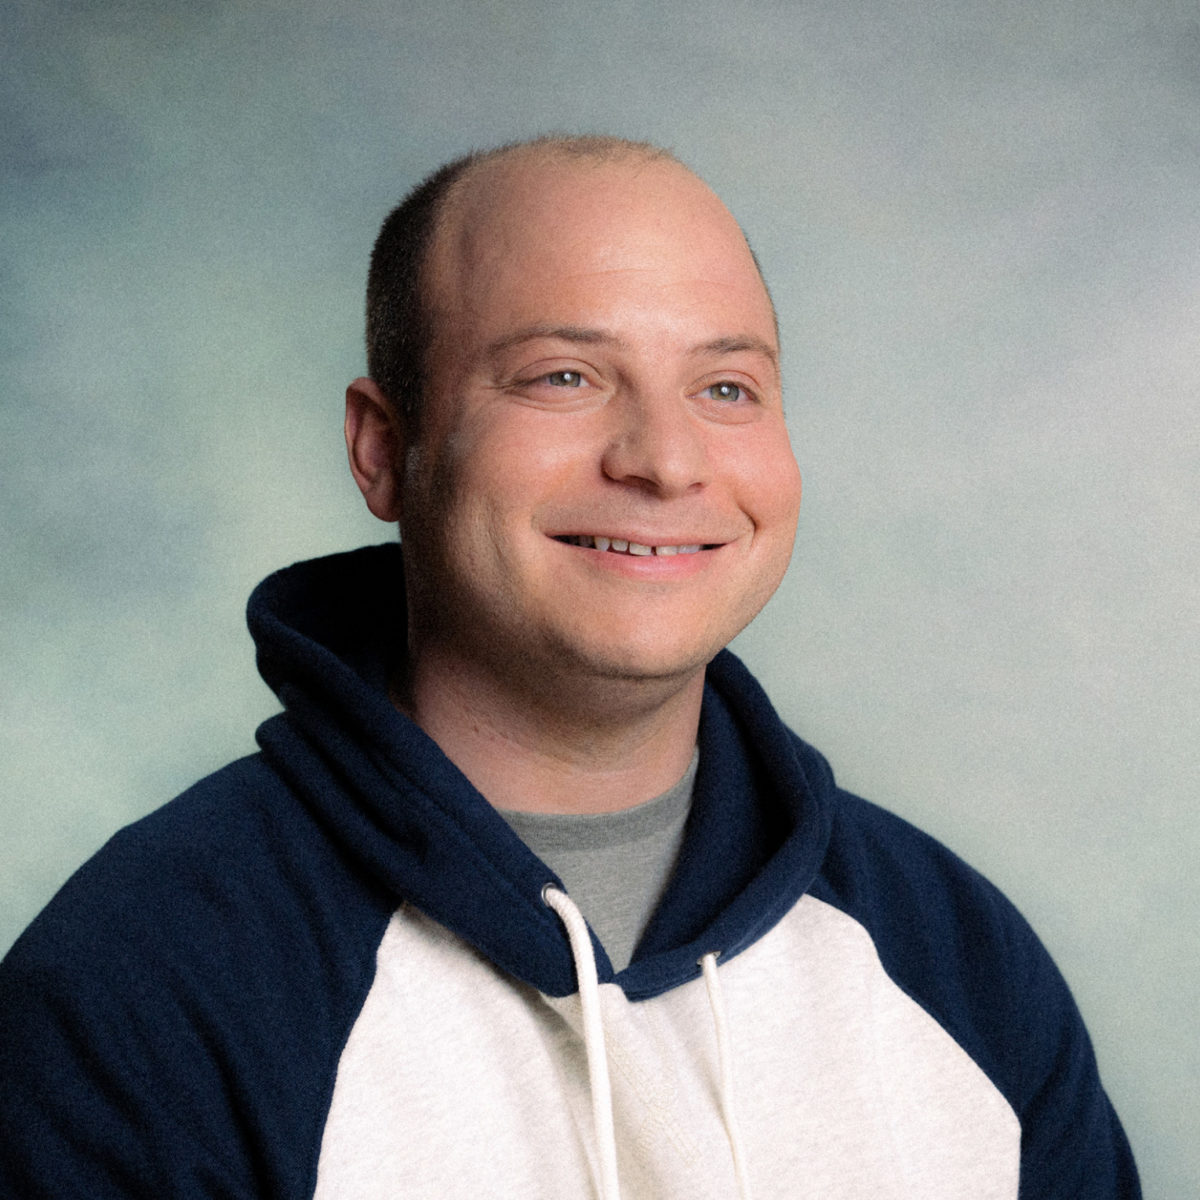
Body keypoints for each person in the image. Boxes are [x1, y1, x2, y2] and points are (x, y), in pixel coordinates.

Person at [0, 135, 1139, 1199]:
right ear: (383, 450)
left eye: (726, 388)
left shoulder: (955, 956)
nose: (665, 459)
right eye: (562, 377)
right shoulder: (143, 984)